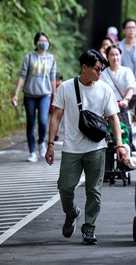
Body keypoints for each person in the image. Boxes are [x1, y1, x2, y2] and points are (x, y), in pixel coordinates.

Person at [45, 49, 127, 245]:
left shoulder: (105, 89)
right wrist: (49, 145)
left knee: (94, 191)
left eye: (102, 69)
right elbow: (55, 116)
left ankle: (89, 228)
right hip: (71, 148)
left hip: (96, 148)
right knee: (65, 187)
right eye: (97, 69)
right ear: (84, 67)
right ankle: (72, 212)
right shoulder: (66, 87)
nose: (100, 73)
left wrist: (120, 144)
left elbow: (114, 118)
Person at [12, 32, 56, 162]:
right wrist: (16, 93)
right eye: (40, 40)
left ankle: (41, 142)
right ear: (36, 43)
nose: (43, 43)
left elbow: (53, 78)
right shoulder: (29, 57)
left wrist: (55, 94)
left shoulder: (51, 59)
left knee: (43, 121)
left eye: (45, 40)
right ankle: (32, 152)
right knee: (31, 123)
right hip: (29, 95)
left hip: (45, 95)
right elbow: (22, 76)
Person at [100, 44, 136, 148]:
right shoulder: (103, 73)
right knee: (107, 134)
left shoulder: (126, 71)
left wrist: (126, 100)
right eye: (112, 55)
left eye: (117, 54)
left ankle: (125, 160)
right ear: (107, 57)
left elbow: (131, 88)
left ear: (120, 56)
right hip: (107, 108)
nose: (115, 57)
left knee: (126, 132)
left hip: (122, 106)